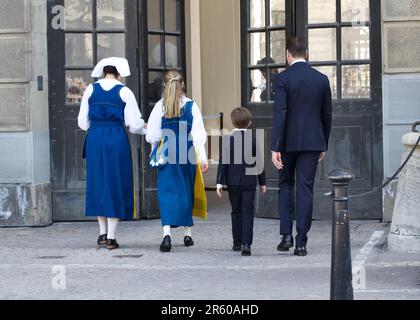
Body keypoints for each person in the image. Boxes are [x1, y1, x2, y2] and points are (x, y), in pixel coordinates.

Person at [271, 37, 332, 257]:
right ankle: (301, 242)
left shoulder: (282, 79)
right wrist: (323, 142)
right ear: (306, 53)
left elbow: (280, 113)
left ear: (288, 54)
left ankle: (286, 234)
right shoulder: (321, 79)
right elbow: (326, 114)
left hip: (287, 141)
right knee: (305, 188)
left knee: (285, 184)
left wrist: (274, 146)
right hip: (312, 141)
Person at [78, 57, 146, 250]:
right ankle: (112, 236)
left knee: (97, 182)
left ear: (104, 71)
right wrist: (146, 129)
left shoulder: (90, 89)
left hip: (95, 138)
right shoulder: (124, 91)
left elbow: (82, 122)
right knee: (115, 182)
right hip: (115, 138)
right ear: (118, 73)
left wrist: (96, 128)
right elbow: (133, 124)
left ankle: (101, 233)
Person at [146, 69, 208, 253]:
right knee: (185, 190)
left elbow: (152, 135)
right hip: (186, 151)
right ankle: (187, 234)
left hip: (166, 150)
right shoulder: (191, 106)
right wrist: (203, 157)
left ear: (165, 85)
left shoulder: (160, 106)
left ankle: (167, 234)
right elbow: (198, 134)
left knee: (166, 192)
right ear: (183, 86)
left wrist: (155, 151)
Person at [216, 108, 266, 256]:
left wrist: (219, 182)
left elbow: (222, 163)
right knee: (248, 212)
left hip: (233, 182)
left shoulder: (227, 140)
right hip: (249, 181)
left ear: (232, 122)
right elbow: (259, 163)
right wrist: (262, 182)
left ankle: (236, 242)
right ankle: (246, 244)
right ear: (249, 123)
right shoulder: (253, 139)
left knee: (236, 211)